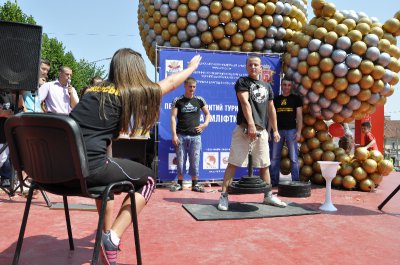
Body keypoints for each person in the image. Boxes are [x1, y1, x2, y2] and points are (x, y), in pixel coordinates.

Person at [70, 48, 201, 265]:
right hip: (89, 168)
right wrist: (190, 69)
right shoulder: (131, 93)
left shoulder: (92, 90)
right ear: (136, 70)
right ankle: (111, 238)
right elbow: (169, 83)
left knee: (106, 182)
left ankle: (105, 235)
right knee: (148, 178)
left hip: (61, 172)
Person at [217, 55, 286, 211]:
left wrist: (275, 130)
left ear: (261, 67)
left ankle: (268, 196)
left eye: (256, 65)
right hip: (243, 129)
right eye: (250, 65)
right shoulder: (242, 82)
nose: (253, 67)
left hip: (261, 131)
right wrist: (250, 124)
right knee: (233, 163)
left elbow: (271, 109)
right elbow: (245, 102)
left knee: (264, 165)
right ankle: (224, 196)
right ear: (246, 67)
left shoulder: (267, 87)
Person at [169, 77, 211, 192]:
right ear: (185, 86)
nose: (192, 89)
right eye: (190, 86)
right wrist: (174, 135)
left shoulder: (199, 100)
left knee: (195, 160)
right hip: (181, 136)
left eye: (194, 87)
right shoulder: (177, 100)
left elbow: (208, 114)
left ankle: (195, 184)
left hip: (196, 137)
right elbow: (173, 118)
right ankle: (179, 184)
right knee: (181, 161)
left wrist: (205, 124)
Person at [269, 76, 303, 186]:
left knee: (293, 158)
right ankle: (274, 182)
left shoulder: (296, 99)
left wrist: (299, 132)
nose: (286, 87)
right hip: (277, 131)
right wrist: (270, 131)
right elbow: (271, 117)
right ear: (281, 85)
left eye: (289, 85)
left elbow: (299, 116)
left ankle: (296, 182)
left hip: (291, 131)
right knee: (274, 158)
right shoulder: (276, 99)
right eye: (284, 85)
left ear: (291, 86)